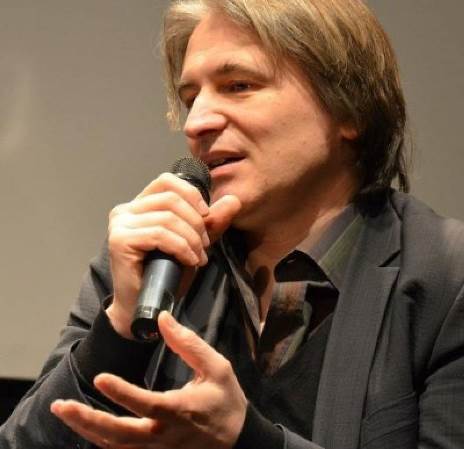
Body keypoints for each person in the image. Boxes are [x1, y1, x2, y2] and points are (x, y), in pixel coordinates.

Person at [2, 0, 464, 448]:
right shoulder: (149, 256)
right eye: (191, 98)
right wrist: (120, 327)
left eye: (239, 85)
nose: (196, 122)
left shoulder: (447, 279)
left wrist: (247, 440)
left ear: (350, 109)